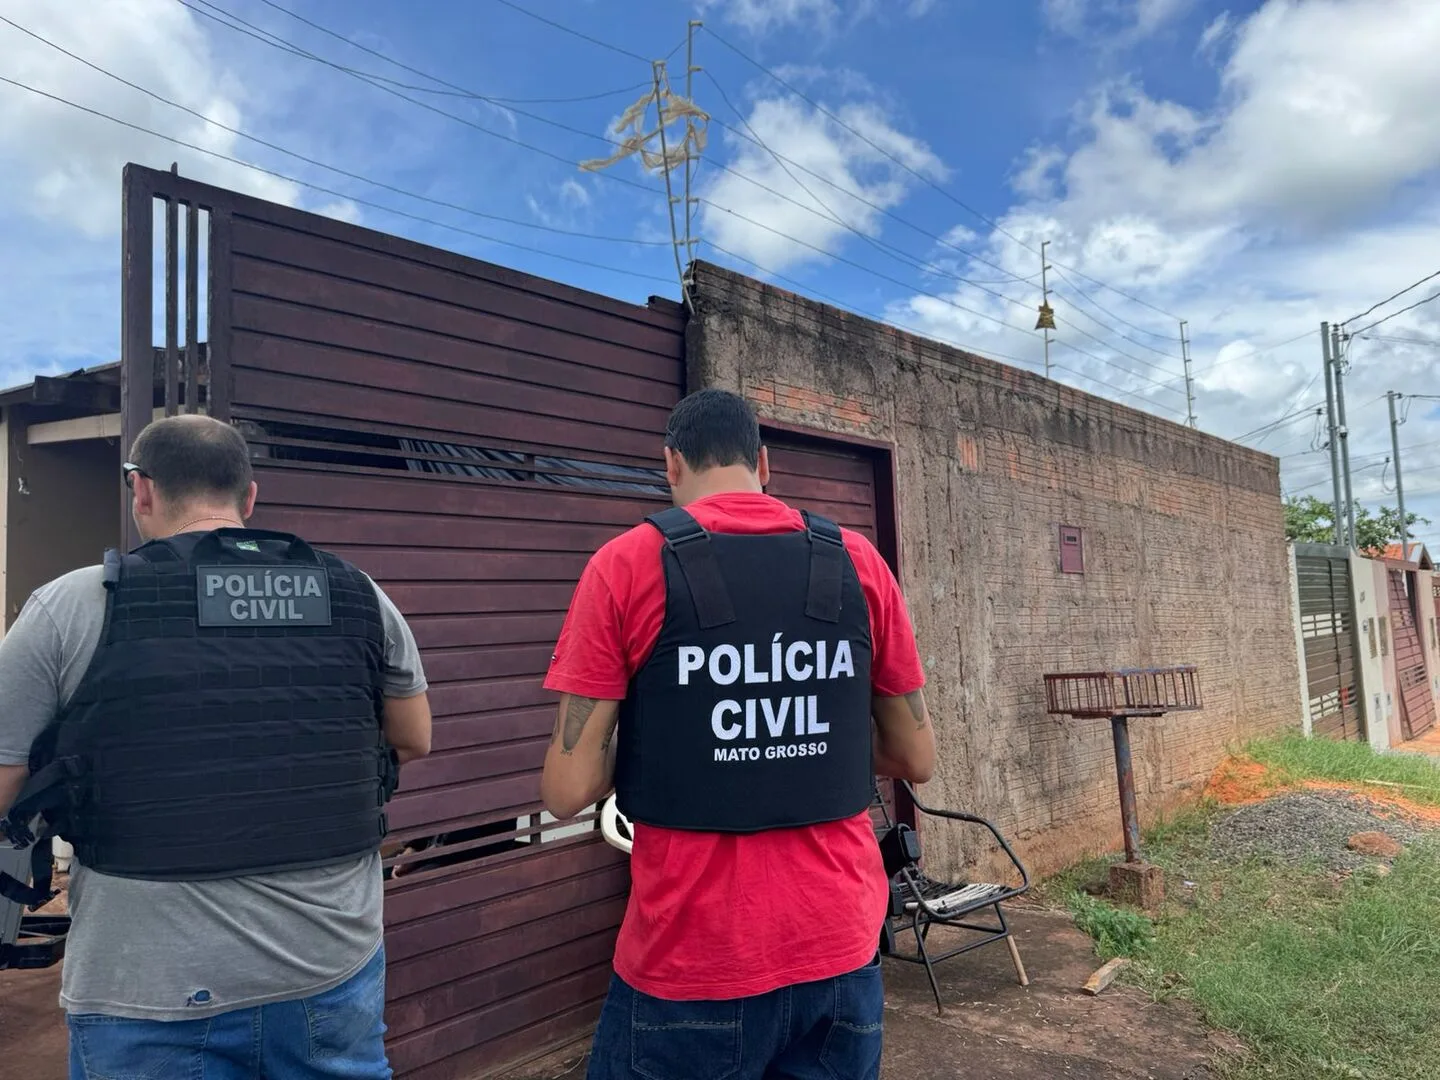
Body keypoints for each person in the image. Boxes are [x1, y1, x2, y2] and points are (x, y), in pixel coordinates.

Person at [0, 414, 431, 1079]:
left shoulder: (71, 605)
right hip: (329, 970)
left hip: (147, 991)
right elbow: (414, 740)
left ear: (140, 490)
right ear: (249, 497)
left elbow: (3, 790)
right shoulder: (359, 595)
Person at [540, 389, 936, 1080]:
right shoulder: (858, 562)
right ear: (764, 461)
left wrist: (678, 731)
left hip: (692, 962)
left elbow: (567, 790)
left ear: (670, 465)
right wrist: (799, 735)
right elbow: (915, 756)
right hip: (841, 951)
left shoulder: (626, 564)